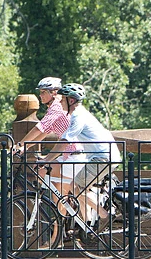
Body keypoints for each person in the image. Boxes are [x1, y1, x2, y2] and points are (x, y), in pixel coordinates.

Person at [35, 82, 122, 223]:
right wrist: (48, 158)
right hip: (102, 156)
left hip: (103, 158)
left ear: (71, 100)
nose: (60, 102)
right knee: (81, 189)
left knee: (75, 187)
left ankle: (105, 216)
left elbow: (65, 141)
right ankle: (88, 227)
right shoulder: (79, 114)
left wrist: (47, 160)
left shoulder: (78, 116)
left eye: (63, 100)